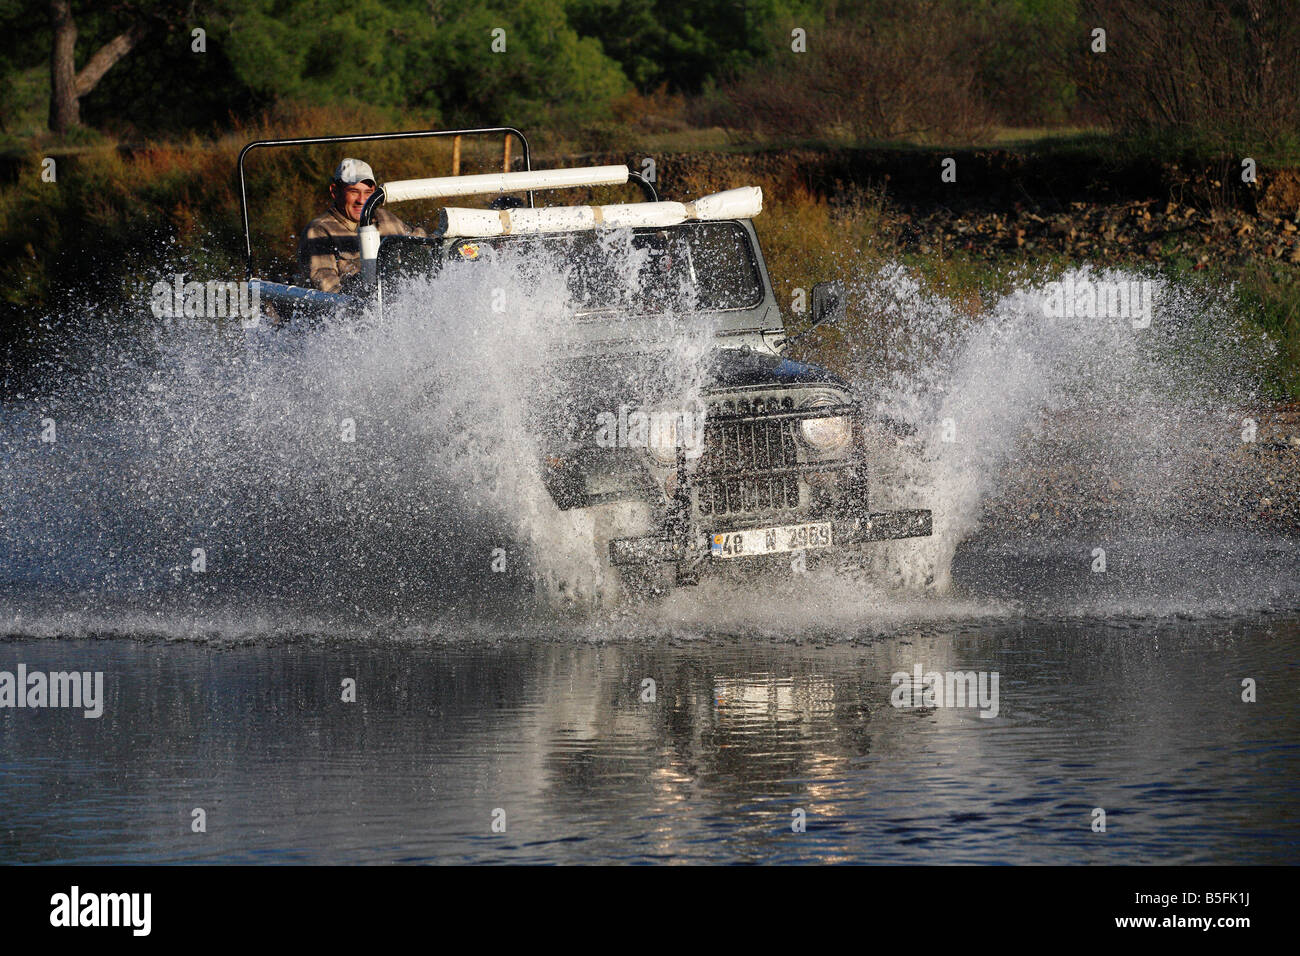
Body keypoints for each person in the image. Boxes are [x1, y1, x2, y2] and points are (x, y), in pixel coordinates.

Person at [297, 158, 425, 293]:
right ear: (335, 192)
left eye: (368, 193)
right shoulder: (319, 231)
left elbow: (425, 244)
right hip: (357, 310)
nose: (362, 200)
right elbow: (330, 293)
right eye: (354, 192)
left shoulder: (387, 219)